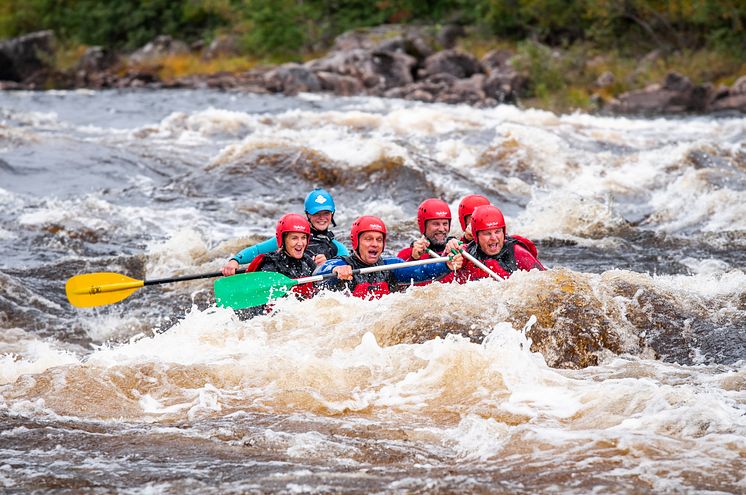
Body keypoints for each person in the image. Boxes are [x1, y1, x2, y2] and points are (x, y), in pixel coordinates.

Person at [315, 215, 463, 299]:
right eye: (368, 239)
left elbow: (421, 271)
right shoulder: (342, 264)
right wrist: (337, 270)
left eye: (379, 240)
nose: (374, 244)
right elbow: (320, 270)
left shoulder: (390, 266)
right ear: (356, 242)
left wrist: (446, 265)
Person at [222, 188, 348, 276]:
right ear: (308, 214)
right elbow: (258, 250)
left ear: (332, 214)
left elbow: (348, 265)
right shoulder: (288, 236)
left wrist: (327, 265)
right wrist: (235, 260)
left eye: (326, 213)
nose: (322, 218)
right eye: (316, 213)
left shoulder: (335, 247)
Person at [455, 205, 545, 282]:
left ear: (503, 232)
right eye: (487, 233)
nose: (494, 238)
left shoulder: (517, 252)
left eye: (497, 232)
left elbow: (545, 281)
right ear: (476, 236)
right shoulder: (466, 253)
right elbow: (443, 281)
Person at [245, 213, 317, 300]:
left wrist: (332, 269)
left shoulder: (307, 261)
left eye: (303, 238)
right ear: (282, 240)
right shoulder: (270, 265)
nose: (300, 243)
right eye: (294, 238)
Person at [456, 194, 540, 259]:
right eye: (473, 219)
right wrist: (465, 240)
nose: (479, 222)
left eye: (485, 217)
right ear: (463, 222)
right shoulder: (462, 248)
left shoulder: (512, 248)